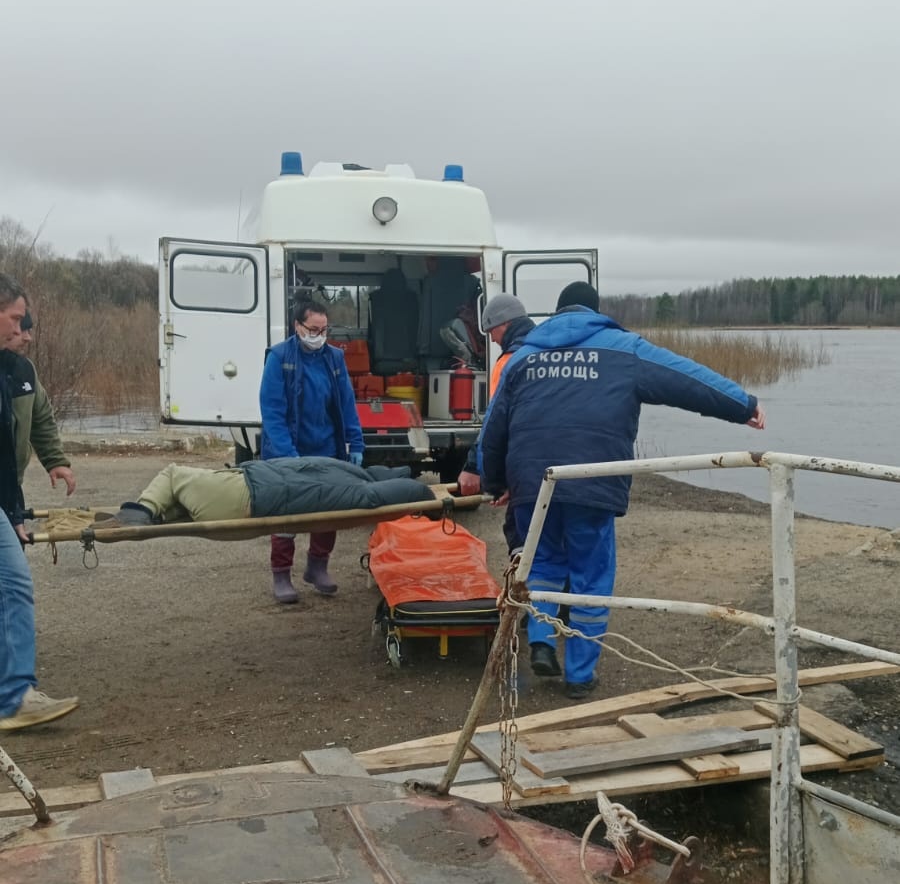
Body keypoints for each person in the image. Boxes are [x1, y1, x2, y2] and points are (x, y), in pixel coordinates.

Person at [477, 281, 765, 700]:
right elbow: (686, 378)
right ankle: (578, 676)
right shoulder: (623, 348)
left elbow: (494, 425)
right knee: (591, 576)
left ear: (557, 313)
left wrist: (494, 481)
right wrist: (744, 405)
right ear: (595, 311)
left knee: (541, 564)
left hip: (532, 481)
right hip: (592, 479)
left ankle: (540, 641)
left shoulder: (523, 356)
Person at [0, 273, 78, 732]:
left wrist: (56, 461)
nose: (21, 331)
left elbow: (40, 419)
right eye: (14, 319)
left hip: (4, 494)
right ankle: (13, 698)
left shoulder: (19, 372)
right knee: (12, 585)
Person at [259, 296, 365, 601]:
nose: (318, 336)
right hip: (288, 452)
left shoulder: (334, 358)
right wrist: (288, 457)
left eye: (324, 330)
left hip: (326, 448)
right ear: (297, 326)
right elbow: (273, 412)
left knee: (328, 511)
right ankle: (281, 575)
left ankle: (317, 566)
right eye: (313, 329)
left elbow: (346, 404)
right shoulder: (279, 358)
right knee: (287, 515)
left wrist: (355, 442)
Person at [99, 456, 441, 527]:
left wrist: (423, 494)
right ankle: (148, 514)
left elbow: (370, 498)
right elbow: (371, 494)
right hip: (248, 489)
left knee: (175, 477)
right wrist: (421, 492)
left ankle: (141, 514)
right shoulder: (348, 474)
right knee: (179, 487)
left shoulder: (346, 481)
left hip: (247, 491)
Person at [457, 294, 535, 499]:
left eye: (492, 330)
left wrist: (474, 467)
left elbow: (495, 423)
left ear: (507, 323)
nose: (492, 338)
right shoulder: (544, 352)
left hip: (521, 464)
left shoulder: (508, 362)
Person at [5, 310, 77, 498]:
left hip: (12, 484)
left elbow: (41, 419)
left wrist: (55, 461)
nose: (29, 338)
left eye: (30, 331)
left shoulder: (25, 370)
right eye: (24, 330)